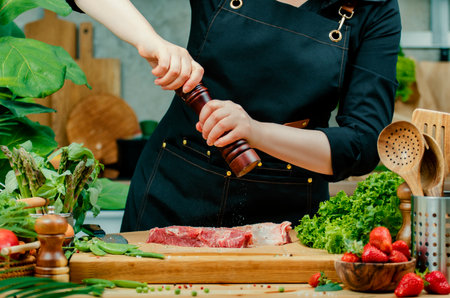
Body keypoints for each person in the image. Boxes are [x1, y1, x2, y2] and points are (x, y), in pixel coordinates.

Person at [67, 0, 401, 232]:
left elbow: (363, 144)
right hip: (175, 190)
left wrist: (254, 132)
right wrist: (151, 41)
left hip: (286, 215)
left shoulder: (374, 8)